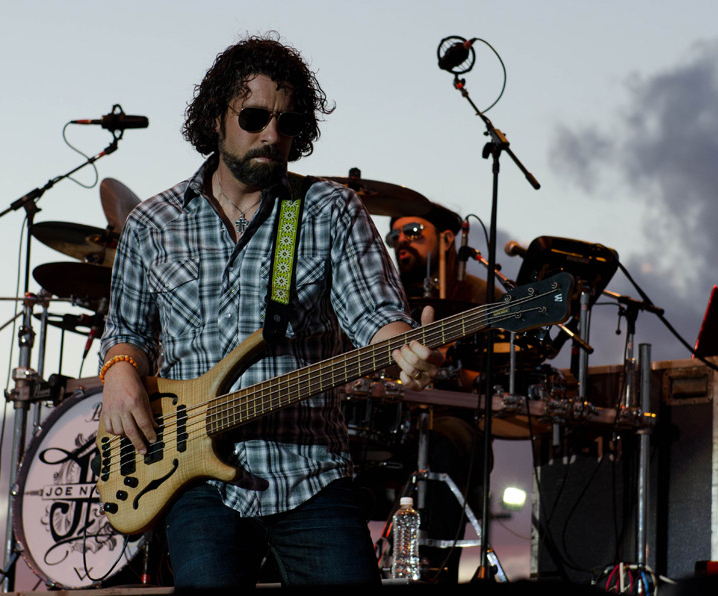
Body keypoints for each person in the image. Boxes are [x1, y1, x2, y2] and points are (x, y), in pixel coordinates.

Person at [98, 34, 442, 589]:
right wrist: (118, 373)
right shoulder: (153, 223)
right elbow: (127, 330)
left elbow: (375, 317)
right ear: (216, 118)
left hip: (311, 473)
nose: (271, 135)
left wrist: (404, 344)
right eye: (255, 116)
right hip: (195, 483)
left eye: (286, 123)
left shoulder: (327, 210)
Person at [385, 206, 499, 583]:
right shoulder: (382, 292)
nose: (402, 240)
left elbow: (501, 368)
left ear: (448, 239)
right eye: (395, 235)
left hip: (450, 420)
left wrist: (456, 371)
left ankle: (437, 572)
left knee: (448, 442)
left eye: (413, 230)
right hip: (385, 420)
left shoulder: (480, 295)